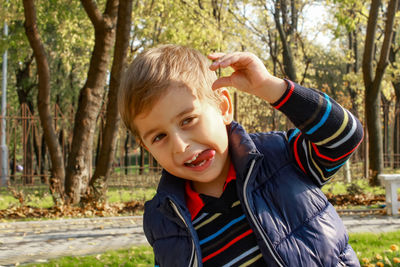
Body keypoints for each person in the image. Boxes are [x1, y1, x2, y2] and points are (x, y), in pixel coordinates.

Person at [118, 44, 363, 267]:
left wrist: (270, 87)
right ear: (147, 147)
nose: (180, 146)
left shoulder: (281, 157)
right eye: (159, 137)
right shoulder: (164, 220)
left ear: (224, 108)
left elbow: (345, 137)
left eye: (188, 120)